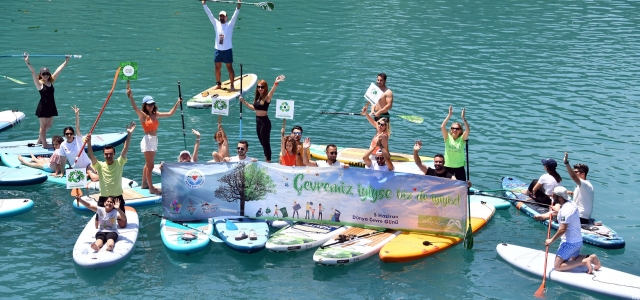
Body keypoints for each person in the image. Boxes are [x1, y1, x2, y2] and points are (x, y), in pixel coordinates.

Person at [127, 81, 181, 195]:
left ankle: (144, 184)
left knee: (148, 164)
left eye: (152, 104)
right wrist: (131, 96)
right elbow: (135, 107)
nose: (151, 106)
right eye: (149, 104)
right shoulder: (143, 115)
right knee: (150, 165)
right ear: (145, 105)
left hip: (154, 140)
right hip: (148, 140)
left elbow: (170, 114)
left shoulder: (155, 114)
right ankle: (151, 188)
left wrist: (177, 103)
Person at [534, 186, 602, 274]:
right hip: (577, 241)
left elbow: (562, 229)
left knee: (557, 266)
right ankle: (591, 257)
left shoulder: (565, 211)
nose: (552, 197)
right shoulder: (571, 204)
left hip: (569, 243)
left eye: (554, 196)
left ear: (559, 197)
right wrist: (544, 216)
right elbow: (561, 214)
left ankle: (584, 261)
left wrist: (551, 240)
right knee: (573, 259)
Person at [86, 122, 135, 228]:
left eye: (110, 154)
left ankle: (116, 217)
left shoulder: (119, 163)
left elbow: (125, 149)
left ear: (114, 154)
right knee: (97, 226)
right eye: (106, 154)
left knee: (122, 225)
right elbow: (91, 155)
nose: (108, 156)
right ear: (103, 155)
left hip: (117, 197)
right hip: (104, 198)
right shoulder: (100, 165)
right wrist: (89, 143)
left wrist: (129, 134)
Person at [23, 53, 69, 148]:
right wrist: (27, 62)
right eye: (44, 74)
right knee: (43, 127)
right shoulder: (39, 84)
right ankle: (44, 144)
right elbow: (33, 72)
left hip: (51, 106)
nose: (46, 75)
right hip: (43, 107)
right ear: (41, 75)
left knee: (49, 125)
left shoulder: (50, 81)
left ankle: (40, 140)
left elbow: (58, 70)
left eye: (47, 73)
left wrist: (65, 62)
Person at [240, 75, 286, 162]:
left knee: (266, 143)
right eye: (258, 87)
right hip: (258, 121)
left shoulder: (266, 98)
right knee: (262, 143)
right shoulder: (258, 98)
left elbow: (272, 92)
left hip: (265, 122)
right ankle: (266, 158)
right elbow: (254, 108)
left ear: (265, 88)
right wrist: (244, 102)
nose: (260, 88)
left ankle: (268, 161)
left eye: (262, 87)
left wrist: (276, 83)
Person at [201, 0, 242, 90]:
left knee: (229, 68)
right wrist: (204, 4)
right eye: (220, 16)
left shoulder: (230, 25)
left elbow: (236, 11)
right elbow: (209, 14)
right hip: (218, 51)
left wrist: (238, 4)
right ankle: (218, 84)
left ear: (227, 17)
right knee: (217, 68)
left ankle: (232, 85)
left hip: (227, 51)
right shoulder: (216, 23)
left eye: (223, 16)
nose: (222, 17)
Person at [59, 106, 99, 182]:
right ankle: (87, 175)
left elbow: (77, 127)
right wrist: (62, 172)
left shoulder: (78, 139)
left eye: (71, 134)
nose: (69, 135)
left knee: (94, 178)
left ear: (73, 134)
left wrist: (77, 115)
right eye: (67, 134)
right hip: (76, 170)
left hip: (87, 165)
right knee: (74, 179)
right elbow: (62, 160)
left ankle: (92, 173)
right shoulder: (63, 145)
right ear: (64, 135)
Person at [440, 106, 470, 182]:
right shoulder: (447, 137)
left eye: (457, 129)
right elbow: (442, 126)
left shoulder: (462, 139)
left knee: (461, 185)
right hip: (447, 166)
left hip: (459, 167)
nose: (454, 130)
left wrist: (463, 118)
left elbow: (468, 130)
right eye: (453, 128)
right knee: (446, 185)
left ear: (460, 131)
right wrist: (449, 115)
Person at [563, 152, 594, 223]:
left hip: (580, 217)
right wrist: (568, 192)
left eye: (576, 172)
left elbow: (573, 176)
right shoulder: (584, 185)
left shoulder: (585, 183)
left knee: (558, 215)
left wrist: (566, 162)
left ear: (583, 174)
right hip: (581, 216)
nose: (574, 173)